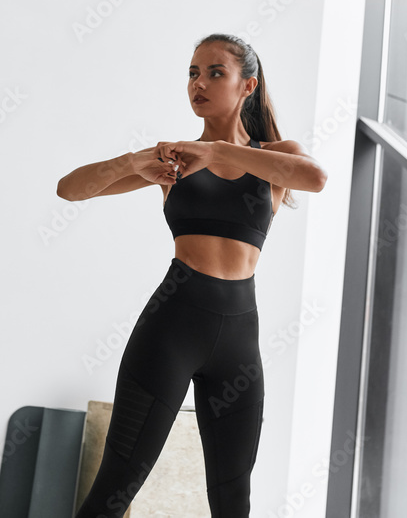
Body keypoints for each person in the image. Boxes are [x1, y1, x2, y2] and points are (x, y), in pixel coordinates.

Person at [57, 33, 327, 517]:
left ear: (248, 85)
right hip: (172, 327)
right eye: (192, 73)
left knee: (232, 501)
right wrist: (133, 162)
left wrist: (220, 154)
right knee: (113, 490)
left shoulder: (275, 154)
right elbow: (69, 190)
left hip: (240, 340)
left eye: (215, 72)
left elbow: (315, 178)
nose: (198, 83)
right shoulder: (173, 160)